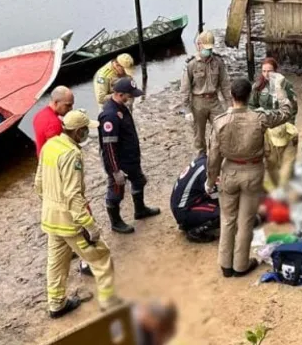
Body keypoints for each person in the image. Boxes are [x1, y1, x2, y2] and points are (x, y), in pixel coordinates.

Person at [35, 110, 118, 319]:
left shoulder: (50, 146)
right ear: (78, 131)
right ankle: (110, 304)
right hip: (69, 222)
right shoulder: (72, 154)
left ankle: (56, 304)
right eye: (85, 131)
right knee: (101, 258)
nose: (86, 135)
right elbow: (73, 195)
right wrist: (90, 226)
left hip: (50, 218)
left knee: (56, 262)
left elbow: (38, 183)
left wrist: (50, 205)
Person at [208, 77, 292, 278]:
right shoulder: (259, 118)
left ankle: (225, 265)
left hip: (229, 171)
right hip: (253, 171)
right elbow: (286, 113)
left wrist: (210, 181)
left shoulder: (219, 122)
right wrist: (280, 92)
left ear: (231, 95)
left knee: (227, 219)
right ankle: (240, 265)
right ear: (250, 96)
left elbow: (213, 156)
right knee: (245, 220)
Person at [99, 77, 160, 234]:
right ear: (120, 94)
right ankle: (116, 222)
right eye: (129, 95)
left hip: (131, 158)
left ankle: (140, 210)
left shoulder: (122, 108)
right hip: (120, 162)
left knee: (139, 180)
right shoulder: (110, 115)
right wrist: (115, 170)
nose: (131, 98)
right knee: (116, 192)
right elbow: (109, 146)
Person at [250, 58, 299, 192]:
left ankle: (288, 186)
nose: (266, 74)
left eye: (270, 71)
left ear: (276, 71)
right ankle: (272, 188)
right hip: (266, 128)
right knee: (269, 160)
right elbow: (252, 105)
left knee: (287, 160)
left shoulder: (285, 85)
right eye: (264, 71)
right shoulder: (258, 86)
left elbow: (293, 107)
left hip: (283, 125)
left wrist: (290, 125)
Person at [181, 31, 232, 153]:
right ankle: (201, 159)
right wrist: (187, 110)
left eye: (210, 48)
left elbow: (225, 84)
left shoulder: (218, 62)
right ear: (199, 45)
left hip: (214, 101)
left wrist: (230, 105)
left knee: (222, 129)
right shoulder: (192, 65)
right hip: (198, 102)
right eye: (205, 48)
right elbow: (185, 89)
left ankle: (219, 156)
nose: (208, 51)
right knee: (199, 136)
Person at [170, 154, 220, 243]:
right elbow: (219, 197)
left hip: (181, 205)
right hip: (184, 210)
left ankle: (189, 222)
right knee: (226, 213)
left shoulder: (204, 159)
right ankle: (195, 231)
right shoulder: (209, 170)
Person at [33, 86, 74, 157]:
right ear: (56, 103)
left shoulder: (39, 115)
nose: (71, 109)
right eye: (68, 105)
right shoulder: (55, 123)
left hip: (43, 162)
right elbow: (58, 154)